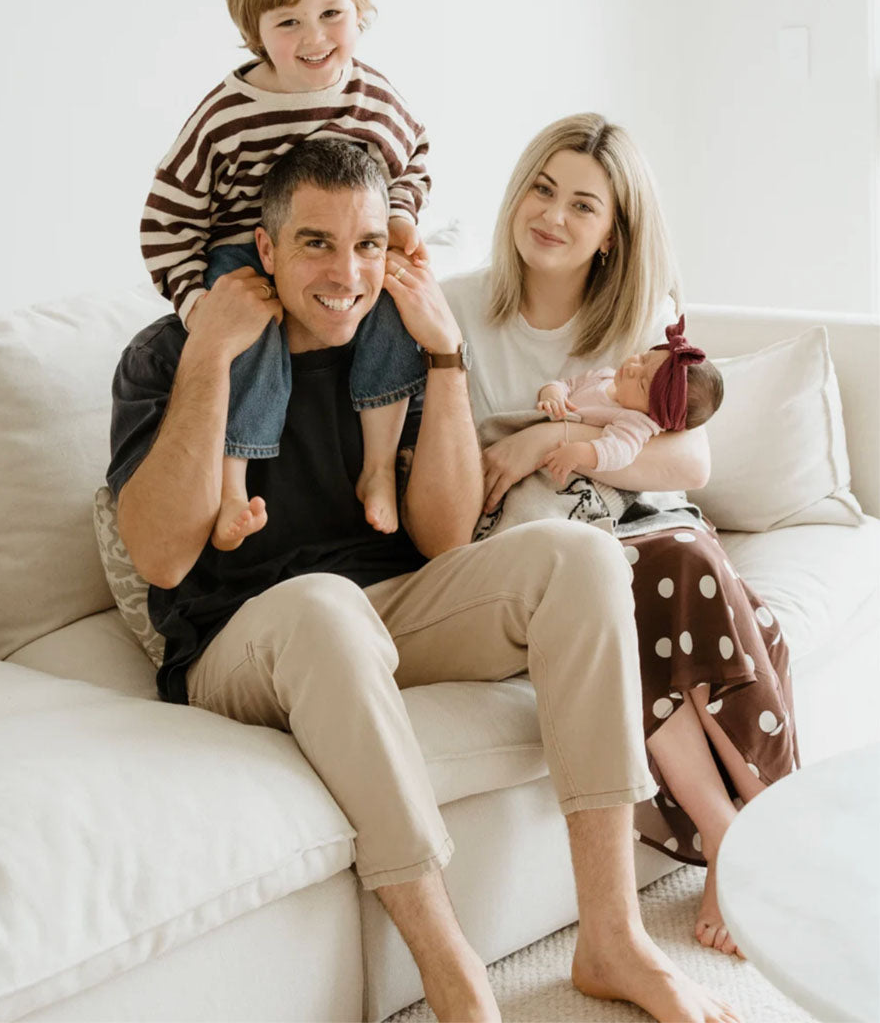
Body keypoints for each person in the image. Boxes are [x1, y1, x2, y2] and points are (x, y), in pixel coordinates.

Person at [110, 138, 740, 1023]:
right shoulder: (168, 351)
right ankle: (455, 975)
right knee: (326, 607)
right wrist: (212, 355)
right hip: (240, 641)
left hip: (392, 611)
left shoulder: (393, 345)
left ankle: (614, 936)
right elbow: (162, 559)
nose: (347, 273)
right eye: (316, 243)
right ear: (265, 249)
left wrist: (445, 356)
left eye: (368, 244)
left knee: (584, 556)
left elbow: (445, 539)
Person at [444, 113, 798, 960]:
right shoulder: (455, 311)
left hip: (646, 528)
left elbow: (690, 465)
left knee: (705, 582)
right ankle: (754, 835)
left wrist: (543, 443)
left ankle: (747, 837)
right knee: (666, 579)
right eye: (542, 188)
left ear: (611, 233)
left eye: (583, 206)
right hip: (551, 549)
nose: (553, 218)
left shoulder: (644, 317)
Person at [139, 0, 430, 549]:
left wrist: (401, 216)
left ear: (362, 11)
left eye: (332, 13)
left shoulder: (374, 96)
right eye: (288, 21)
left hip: (342, 247)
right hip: (243, 253)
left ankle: (379, 469)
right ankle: (233, 486)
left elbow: (415, 157)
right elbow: (167, 221)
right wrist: (199, 306)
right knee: (252, 341)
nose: (315, 36)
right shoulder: (225, 117)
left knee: (391, 309)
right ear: (255, 34)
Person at [538, 317, 724, 484]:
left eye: (642, 384)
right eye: (644, 359)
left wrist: (579, 453)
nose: (633, 367)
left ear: (654, 412)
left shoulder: (636, 420)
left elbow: (619, 451)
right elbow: (568, 384)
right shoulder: (605, 376)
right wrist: (553, 393)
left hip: (572, 470)